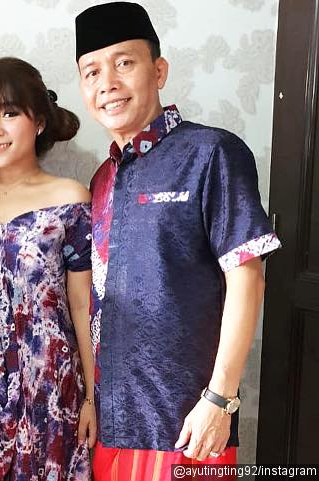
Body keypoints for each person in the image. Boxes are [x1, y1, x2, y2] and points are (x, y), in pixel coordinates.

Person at [73, 2, 282, 479]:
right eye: (92, 72)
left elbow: (248, 279)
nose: (108, 82)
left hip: (190, 424)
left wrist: (220, 400)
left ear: (159, 70)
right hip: (113, 424)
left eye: (124, 63)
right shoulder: (101, 179)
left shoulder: (211, 153)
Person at [0, 57, 96, 481]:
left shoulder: (69, 198)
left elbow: (82, 303)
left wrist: (91, 395)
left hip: (51, 384)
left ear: (40, 122)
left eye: (9, 113)